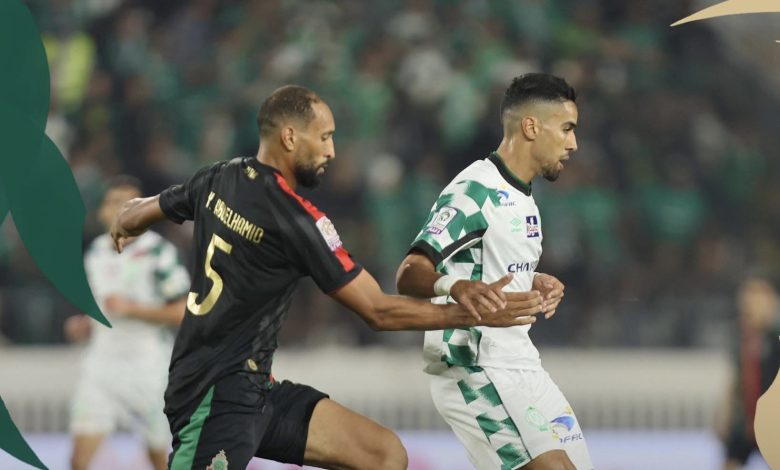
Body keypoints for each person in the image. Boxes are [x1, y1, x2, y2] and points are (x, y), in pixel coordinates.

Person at [110, 85, 548, 470]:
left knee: (383, 455)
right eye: (324, 137)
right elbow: (378, 311)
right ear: (289, 137)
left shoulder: (220, 176)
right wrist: (471, 315)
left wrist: (127, 220)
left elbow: (145, 209)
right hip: (214, 398)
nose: (331, 151)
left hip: (254, 389)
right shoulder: (298, 220)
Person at [396, 73, 594, 470]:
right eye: (567, 129)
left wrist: (532, 280)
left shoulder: (525, 198)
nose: (573, 143)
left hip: (523, 364)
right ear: (531, 127)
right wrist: (456, 287)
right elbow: (410, 273)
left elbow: (486, 263)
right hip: (475, 368)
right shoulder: (474, 191)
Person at [64, 175, 190, 470]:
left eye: (130, 203)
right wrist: (85, 324)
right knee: (78, 460)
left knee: (159, 458)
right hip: (102, 366)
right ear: (102, 211)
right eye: (114, 202)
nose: (121, 209)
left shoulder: (159, 253)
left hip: (147, 367)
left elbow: (183, 311)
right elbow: (103, 308)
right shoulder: (95, 252)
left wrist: (133, 310)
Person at [718, 276, 780, 470]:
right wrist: (725, 413)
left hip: (772, 421)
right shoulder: (741, 339)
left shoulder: (775, 339)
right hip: (746, 421)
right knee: (730, 461)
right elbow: (737, 379)